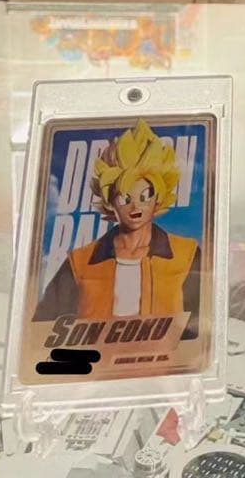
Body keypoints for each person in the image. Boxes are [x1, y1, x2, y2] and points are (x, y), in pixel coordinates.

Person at [34, 119, 200, 338]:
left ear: (158, 199)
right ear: (110, 203)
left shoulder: (186, 254)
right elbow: (41, 330)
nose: (136, 206)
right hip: (94, 359)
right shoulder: (79, 262)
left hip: (166, 359)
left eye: (145, 196)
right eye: (124, 198)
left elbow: (204, 327)